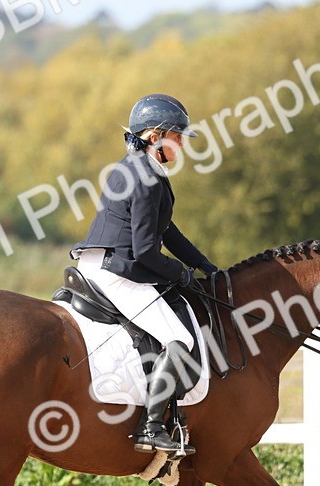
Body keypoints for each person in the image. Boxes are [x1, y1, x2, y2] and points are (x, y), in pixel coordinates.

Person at [71, 93, 220, 455]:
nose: (183, 144)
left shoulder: (139, 168)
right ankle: (150, 428)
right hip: (117, 272)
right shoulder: (146, 177)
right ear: (155, 137)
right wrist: (183, 275)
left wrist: (203, 265)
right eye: (178, 136)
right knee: (179, 341)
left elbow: (167, 231)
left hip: (102, 263)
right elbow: (146, 252)